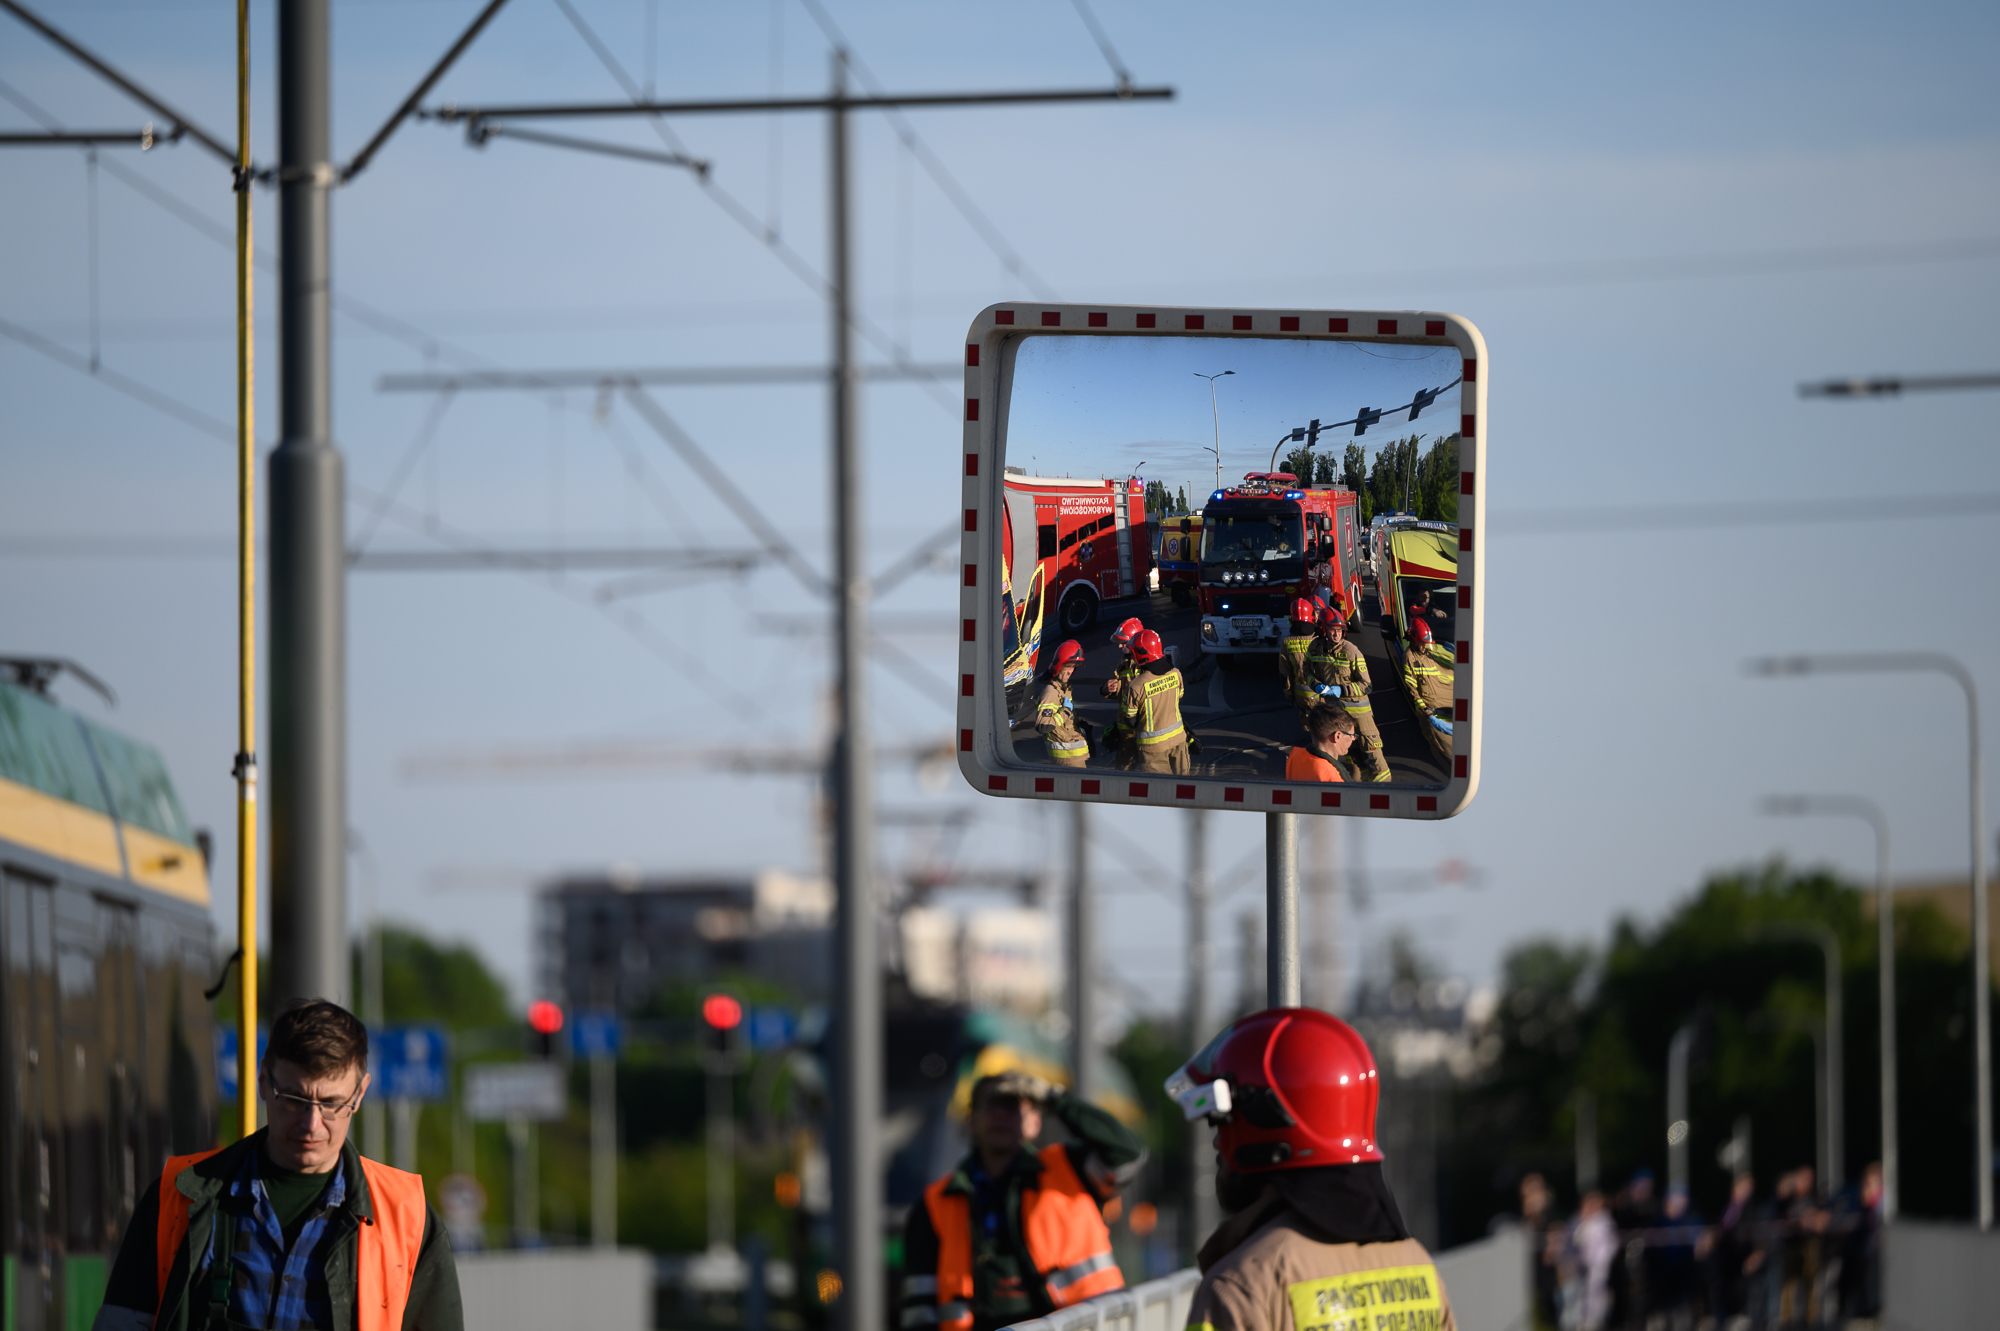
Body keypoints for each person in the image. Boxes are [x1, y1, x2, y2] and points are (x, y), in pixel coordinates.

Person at [93, 998, 461, 1331]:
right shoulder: (179, 1196)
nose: (311, 1124)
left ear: (360, 1093)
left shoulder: (406, 1218)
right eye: (294, 1099)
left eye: (332, 1104)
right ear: (263, 1081)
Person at [1169, 1008, 1457, 1331]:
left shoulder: (1238, 1288)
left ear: (1266, 1124)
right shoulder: (1417, 1265)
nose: (1216, 1143)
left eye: (1222, 1124)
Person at [899, 1071, 1144, 1331]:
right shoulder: (935, 1202)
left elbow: (1127, 1153)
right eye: (991, 1104)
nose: (1001, 1114)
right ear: (970, 1120)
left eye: (1013, 1105)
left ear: (1035, 1122)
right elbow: (920, 1308)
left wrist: (1054, 1099)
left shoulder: (1071, 1169)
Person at [1305, 614, 1390, 782]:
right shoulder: (1315, 648)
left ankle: (1383, 792)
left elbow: (1366, 685)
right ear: (1323, 629)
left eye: (1340, 630)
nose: (1337, 634)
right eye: (1332, 629)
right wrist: (1315, 684)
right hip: (1338, 717)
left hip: (1361, 717)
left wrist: (1341, 690)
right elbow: (1306, 670)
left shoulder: (1351, 651)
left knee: (1374, 761)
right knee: (1353, 760)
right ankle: (1357, 792)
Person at [1119, 630, 1191, 774]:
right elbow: (1178, 697)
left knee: (1159, 787)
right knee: (1183, 785)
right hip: (1178, 740)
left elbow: (1130, 720)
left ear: (1140, 655)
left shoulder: (1136, 686)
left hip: (1153, 748)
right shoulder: (1176, 673)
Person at [1034, 639, 1091, 767]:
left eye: (1073, 667)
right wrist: (1065, 711)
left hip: (1075, 756)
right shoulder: (1051, 693)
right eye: (1068, 666)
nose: (1070, 671)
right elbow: (1043, 726)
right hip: (1067, 759)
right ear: (1059, 665)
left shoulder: (1063, 688)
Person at [1097, 617, 1145, 763]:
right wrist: (1106, 689)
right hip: (1126, 730)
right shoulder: (1123, 664)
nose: (1119, 646)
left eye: (1123, 643)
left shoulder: (1146, 664)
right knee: (1124, 767)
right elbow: (1119, 691)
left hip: (1144, 728)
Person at [1284, 704, 1357, 783]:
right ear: (1337, 736)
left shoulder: (1295, 755)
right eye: (1352, 735)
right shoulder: (1332, 778)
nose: (1353, 739)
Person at [1277, 598, 1319, 725]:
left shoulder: (1286, 642)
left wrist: (1289, 695)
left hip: (1302, 697)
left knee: (1310, 727)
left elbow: (1284, 674)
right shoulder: (1318, 639)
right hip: (1323, 695)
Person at [1401, 620, 1454, 717]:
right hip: (1430, 712)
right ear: (1415, 640)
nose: (1425, 646)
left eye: (1426, 643)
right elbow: (1411, 688)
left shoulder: (1430, 652)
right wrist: (1424, 710)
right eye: (1422, 643)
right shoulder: (1410, 657)